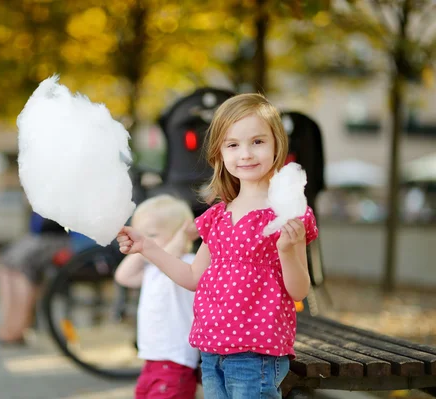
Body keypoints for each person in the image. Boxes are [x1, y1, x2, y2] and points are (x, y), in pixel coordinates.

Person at [116, 93, 319, 398]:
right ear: (219, 153)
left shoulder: (287, 213)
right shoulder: (217, 216)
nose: (246, 153)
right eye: (233, 144)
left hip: (257, 354)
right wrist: (146, 246)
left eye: (258, 142)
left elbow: (299, 290)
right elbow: (193, 278)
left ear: (277, 145)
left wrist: (287, 251)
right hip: (211, 352)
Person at [114, 195, 200, 399]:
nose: (142, 240)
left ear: (179, 235)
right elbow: (122, 276)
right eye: (139, 234)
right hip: (151, 359)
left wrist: (182, 238)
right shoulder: (150, 269)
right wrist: (142, 249)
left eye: (151, 235)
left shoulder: (188, 264)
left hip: (176, 360)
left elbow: (168, 259)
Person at [0, 211, 92, 347]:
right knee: (5, 262)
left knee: (21, 265)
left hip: (76, 241)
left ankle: (17, 330)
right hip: (54, 235)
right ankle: (9, 326)